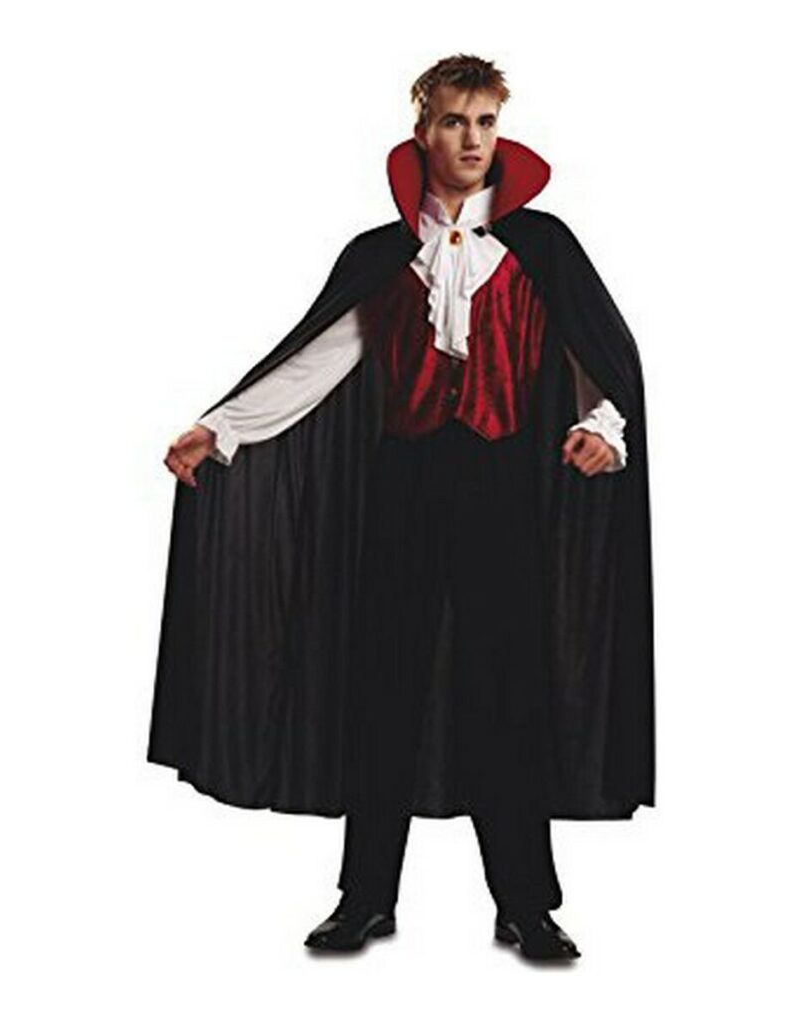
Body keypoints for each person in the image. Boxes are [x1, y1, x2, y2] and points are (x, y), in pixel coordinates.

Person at [150, 54, 654, 962]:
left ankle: (526, 904)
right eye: (455, 122)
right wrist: (219, 429)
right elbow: (318, 359)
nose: (473, 140)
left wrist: (602, 428)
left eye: (486, 122)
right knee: (382, 689)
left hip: (505, 490)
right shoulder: (383, 255)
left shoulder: (542, 247)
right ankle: (365, 898)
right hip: (404, 486)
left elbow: (599, 357)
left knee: (508, 694)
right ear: (422, 131)